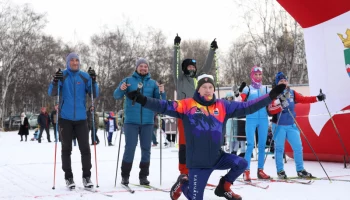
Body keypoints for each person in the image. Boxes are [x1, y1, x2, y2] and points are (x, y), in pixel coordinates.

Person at [126, 74, 286, 200]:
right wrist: (142, 99)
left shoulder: (223, 105)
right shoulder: (186, 105)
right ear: (198, 89)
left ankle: (224, 187)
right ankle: (183, 183)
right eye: (204, 87)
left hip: (217, 157)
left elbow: (248, 106)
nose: (208, 90)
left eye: (210, 87)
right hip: (197, 163)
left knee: (242, 163)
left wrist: (270, 96)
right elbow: (163, 105)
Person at [172, 34, 218, 185]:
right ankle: (184, 171)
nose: (192, 68)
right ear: (185, 68)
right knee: (185, 143)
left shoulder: (199, 78)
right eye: (189, 66)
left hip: (199, 114)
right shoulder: (180, 78)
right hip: (184, 113)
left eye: (193, 66)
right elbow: (175, 65)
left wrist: (212, 51)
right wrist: (177, 48)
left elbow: (207, 66)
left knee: (198, 143)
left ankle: (196, 171)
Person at [48, 52, 99, 189]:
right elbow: (52, 92)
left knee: (85, 149)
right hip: (65, 119)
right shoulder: (62, 76)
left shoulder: (84, 76)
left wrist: (94, 81)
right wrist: (54, 81)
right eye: (72, 60)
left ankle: (86, 176)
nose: (75, 63)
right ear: (68, 62)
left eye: (77, 60)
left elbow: (94, 93)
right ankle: (68, 177)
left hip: (82, 119)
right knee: (66, 149)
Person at [113, 58, 166, 186]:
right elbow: (116, 95)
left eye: (145, 66)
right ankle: (125, 175)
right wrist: (121, 89)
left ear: (148, 69)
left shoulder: (153, 83)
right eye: (141, 66)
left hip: (148, 121)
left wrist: (162, 92)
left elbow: (160, 102)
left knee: (146, 149)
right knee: (130, 148)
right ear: (136, 67)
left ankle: (143, 176)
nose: (143, 68)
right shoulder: (128, 80)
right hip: (131, 121)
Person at [268, 72, 325, 179]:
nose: (283, 82)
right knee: (279, 149)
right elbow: (270, 110)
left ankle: (300, 170)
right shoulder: (274, 94)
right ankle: (280, 171)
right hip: (279, 125)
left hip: (291, 125)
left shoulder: (292, 92)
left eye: (285, 80)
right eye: (281, 81)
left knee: (298, 147)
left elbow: (304, 99)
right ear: (277, 83)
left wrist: (317, 98)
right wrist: (280, 105)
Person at [240, 66, 271, 181]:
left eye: (260, 74)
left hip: (263, 118)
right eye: (255, 74)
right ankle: (246, 171)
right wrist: (239, 93)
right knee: (250, 145)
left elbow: (273, 101)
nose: (258, 77)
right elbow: (240, 101)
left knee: (262, 146)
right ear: (251, 75)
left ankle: (260, 170)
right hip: (251, 118)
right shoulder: (247, 88)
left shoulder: (266, 88)